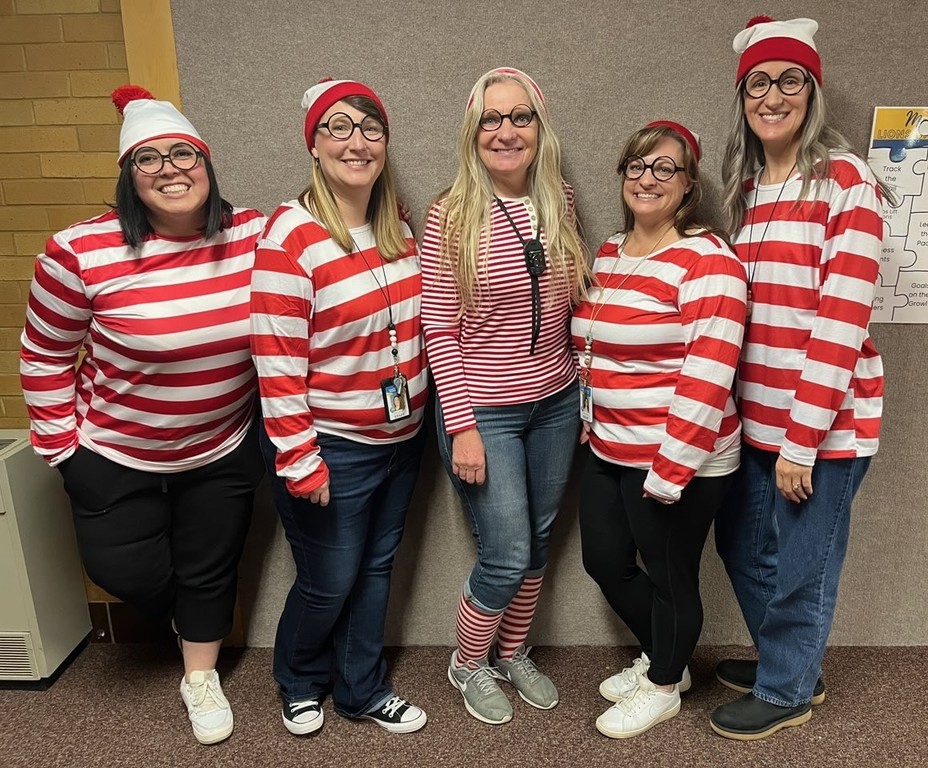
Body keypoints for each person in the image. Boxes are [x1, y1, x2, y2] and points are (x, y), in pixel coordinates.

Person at [19, 86, 266, 745]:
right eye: (147, 159)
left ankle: (200, 678)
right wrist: (64, 451)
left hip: (222, 446)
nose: (169, 167)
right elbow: (44, 353)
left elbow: (322, 256)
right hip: (113, 452)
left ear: (207, 165)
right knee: (120, 569)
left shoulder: (253, 235)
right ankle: (193, 618)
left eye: (183, 152)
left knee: (211, 564)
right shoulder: (79, 252)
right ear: (128, 177)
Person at [711, 17, 896, 740]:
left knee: (802, 565)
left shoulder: (847, 183)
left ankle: (787, 686)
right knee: (742, 545)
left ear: (811, 92)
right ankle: (792, 659)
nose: (772, 95)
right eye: (758, 82)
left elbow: (840, 322)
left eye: (789, 80)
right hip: (755, 419)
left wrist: (802, 441)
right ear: (743, 98)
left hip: (823, 428)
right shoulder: (748, 186)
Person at [251, 78, 429, 737]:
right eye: (339, 127)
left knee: (375, 570)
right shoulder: (291, 236)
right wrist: (299, 458)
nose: (357, 142)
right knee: (328, 580)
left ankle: (361, 690)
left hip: (401, 437)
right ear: (315, 147)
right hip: (329, 444)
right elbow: (275, 357)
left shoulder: (396, 225)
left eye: (370, 128)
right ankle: (298, 679)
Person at [420, 67, 589, 725]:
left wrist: (586, 396)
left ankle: (512, 652)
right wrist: (461, 425)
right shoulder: (451, 214)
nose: (506, 130)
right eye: (491, 119)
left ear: (538, 128)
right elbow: (438, 326)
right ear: (473, 131)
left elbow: (572, 307)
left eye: (519, 116)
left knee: (539, 540)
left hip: (554, 402)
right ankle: (467, 663)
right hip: (484, 410)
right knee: (508, 551)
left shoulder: (561, 201)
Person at [572, 121, 747, 739]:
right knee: (606, 561)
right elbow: (595, 350)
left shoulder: (708, 261)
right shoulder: (611, 251)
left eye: (664, 168)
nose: (647, 179)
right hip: (608, 445)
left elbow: (708, 376)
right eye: (636, 167)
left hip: (680, 459)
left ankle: (665, 683)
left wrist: (672, 471)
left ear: (689, 185)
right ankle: (667, 658)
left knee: (672, 576)